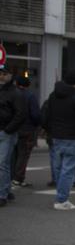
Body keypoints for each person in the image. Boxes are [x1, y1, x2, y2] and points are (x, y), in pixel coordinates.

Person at [42, 73, 75, 210]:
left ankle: (60, 195)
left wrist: (50, 130)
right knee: (68, 170)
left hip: (56, 135)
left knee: (58, 168)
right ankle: (62, 199)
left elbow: (46, 116)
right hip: (73, 136)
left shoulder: (53, 95)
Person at [0, 64, 27, 206]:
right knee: (3, 164)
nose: (2, 76)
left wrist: (8, 130)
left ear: (10, 76)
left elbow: (21, 114)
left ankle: (2, 194)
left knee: (2, 164)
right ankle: (6, 190)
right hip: (5, 130)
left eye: (4, 74)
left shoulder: (15, 93)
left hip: (6, 132)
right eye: (0, 73)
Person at [12, 75, 41, 188]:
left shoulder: (11, 94)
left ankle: (10, 176)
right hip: (27, 128)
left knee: (13, 154)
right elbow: (35, 114)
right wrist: (36, 125)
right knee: (23, 154)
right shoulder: (30, 96)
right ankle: (18, 178)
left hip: (12, 128)